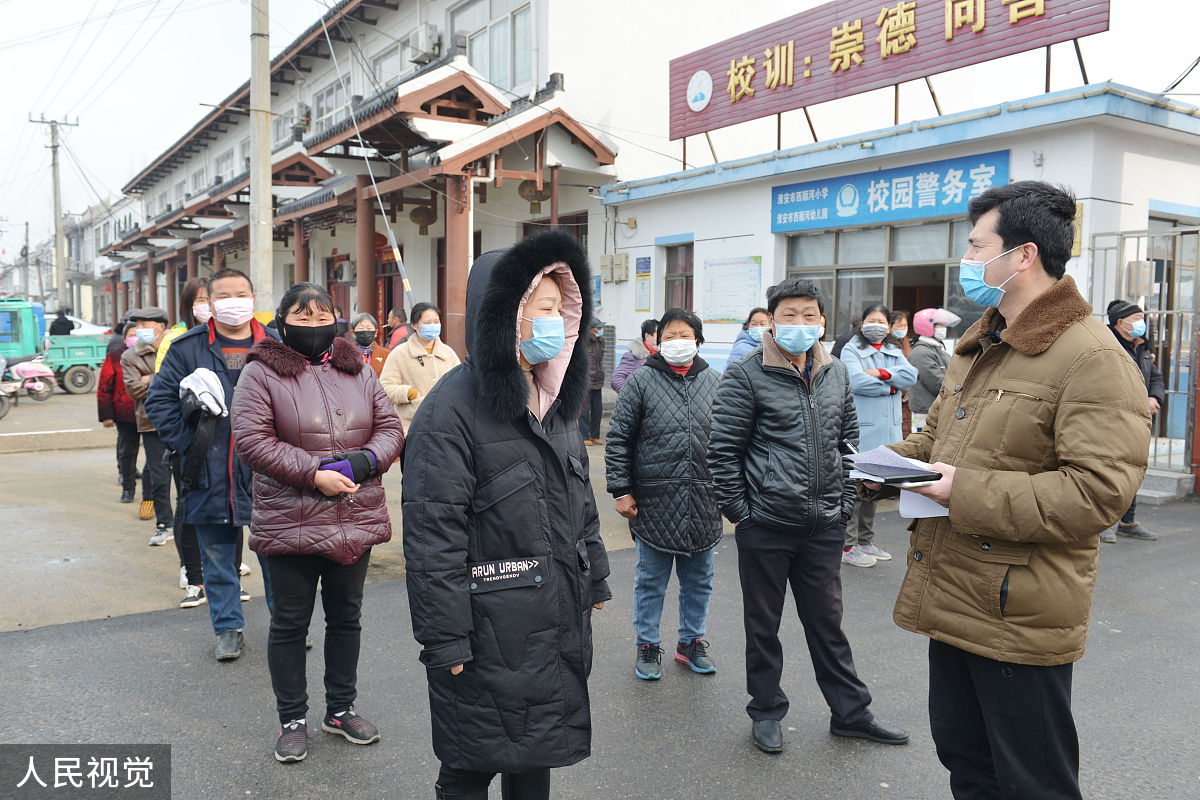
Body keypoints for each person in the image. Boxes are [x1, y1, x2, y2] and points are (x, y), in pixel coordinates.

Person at [873, 181, 1150, 799]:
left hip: (1018, 611)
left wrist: (962, 490)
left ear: (1022, 255)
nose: (966, 260)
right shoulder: (982, 342)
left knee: (1033, 782)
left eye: (977, 246)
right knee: (968, 765)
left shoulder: (1093, 358)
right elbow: (938, 441)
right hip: (954, 594)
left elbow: (1097, 493)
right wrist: (875, 468)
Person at [402, 230, 611, 800]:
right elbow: (432, 539)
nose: (555, 321)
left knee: (537, 750)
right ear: (505, 315)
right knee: (471, 761)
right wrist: (446, 639)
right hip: (486, 629)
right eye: (543, 308)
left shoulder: (554, 400)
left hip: (551, 614)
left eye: (560, 309)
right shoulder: (449, 412)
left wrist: (594, 573)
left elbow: (580, 500)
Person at [707, 277, 908, 755]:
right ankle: (766, 710)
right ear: (773, 321)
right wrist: (743, 515)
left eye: (809, 315)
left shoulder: (835, 371)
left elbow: (848, 441)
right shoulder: (746, 374)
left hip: (823, 525)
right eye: (789, 315)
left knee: (827, 624)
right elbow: (722, 452)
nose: (799, 323)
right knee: (763, 627)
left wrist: (843, 506)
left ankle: (851, 713)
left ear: (822, 321)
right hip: (766, 526)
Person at [231, 282, 405, 764]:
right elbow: (252, 441)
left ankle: (340, 710)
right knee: (290, 623)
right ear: (282, 323)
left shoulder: (358, 369)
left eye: (322, 316)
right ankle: (292, 719)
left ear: (337, 320)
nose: (313, 326)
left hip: (354, 514)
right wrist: (314, 474)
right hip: (291, 520)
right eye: (302, 317)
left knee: (346, 618)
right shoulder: (260, 372)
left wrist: (365, 462)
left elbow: (390, 428)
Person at [146, 268, 280, 662]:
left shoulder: (275, 344)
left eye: (241, 294)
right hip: (209, 471)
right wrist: (191, 446)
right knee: (218, 559)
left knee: (279, 556)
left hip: (270, 471)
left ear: (253, 298)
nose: (233, 302)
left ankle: (288, 627)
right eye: (222, 295)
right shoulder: (186, 348)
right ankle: (228, 629)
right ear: (210, 302)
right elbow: (159, 401)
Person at [605, 307, 722, 681]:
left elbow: (731, 443)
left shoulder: (716, 382)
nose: (677, 342)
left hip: (704, 500)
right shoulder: (641, 381)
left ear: (698, 341)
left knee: (699, 581)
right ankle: (647, 644)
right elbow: (619, 439)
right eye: (669, 335)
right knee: (651, 582)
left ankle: (691, 642)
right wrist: (621, 490)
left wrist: (731, 492)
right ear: (657, 342)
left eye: (685, 335)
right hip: (653, 501)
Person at [837, 304, 917, 568]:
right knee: (856, 487)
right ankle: (848, 545)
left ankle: (865, 541)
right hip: (864, 430)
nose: (877, 325)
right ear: (862, 324)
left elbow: (911, 376)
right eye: (871, 320)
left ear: (888, 326)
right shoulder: (852, 349)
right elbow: (856, 381)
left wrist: (882, 374)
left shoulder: (893, 349)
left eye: (882, 321)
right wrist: (892, 388)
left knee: (875, 487)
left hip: (888, 431)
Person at [1101, 300, 1165, 543]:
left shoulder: (1141, 346)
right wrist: (1141, 400)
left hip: (1138, 421)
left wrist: (1154, 397)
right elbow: (1110, 383)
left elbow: (1155, 377)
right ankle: (1104, 524)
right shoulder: (1107, 346)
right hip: (1114, 420)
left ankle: (1127, 521)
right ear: (1121, 322)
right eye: (1137, 318)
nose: (1142, 323)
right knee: (1111, 471)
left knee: (1133, 469)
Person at [121, 307, 175, 547]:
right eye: (138, 325)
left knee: (189, 475)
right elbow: (134, 389)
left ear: (160, 327)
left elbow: (184, 380)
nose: (139, 330)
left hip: (181, 420)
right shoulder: (130, 356)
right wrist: (162, 378)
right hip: (151, 422)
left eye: (145, 325)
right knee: (159, 476)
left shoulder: (177, 347)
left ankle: (189, 523)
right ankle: (164, 524)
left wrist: (150, 378)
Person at [379, 302, 461, 432]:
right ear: (414, 325)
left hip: (446, 426)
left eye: (436, 322)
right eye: (427, 323)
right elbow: (385, 387)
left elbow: (460, 386)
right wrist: (409, 393)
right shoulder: (400, 354)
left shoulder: (448, 353)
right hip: (411, 427)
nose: (433, 326)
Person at [98, 321, 140, 504]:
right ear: (124, 338)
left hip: (151, 413)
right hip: (125, 413)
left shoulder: (155, 354)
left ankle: (151, 494)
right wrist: (107, 416)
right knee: (127, 452)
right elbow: (104, 386)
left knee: (156, 456)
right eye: (131, 335)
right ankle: (128, 488)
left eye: (138, 334)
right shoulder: (115, 357)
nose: (135, 338)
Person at [907, 308, 959, 433]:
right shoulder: (921, 352)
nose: (944, 328)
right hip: (928, 415)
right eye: (940, 325)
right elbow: (937, 383)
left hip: (941, 412)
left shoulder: (938, 350)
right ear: (927, 326)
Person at [155, 277, 210, 372]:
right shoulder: (174, 340)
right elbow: (164, 377)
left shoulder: (227, 335)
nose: (208, 305)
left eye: (210, 300)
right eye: (200, 300)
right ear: (189, 305)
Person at [610, 318, 658, 393]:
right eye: (658, 334)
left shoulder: (659, 354)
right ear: (647, 336)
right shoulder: (635, 356)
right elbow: (616, 379)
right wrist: (630, 395)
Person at [579, 319, 605, 445]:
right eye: (598, 328)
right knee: (584, 410)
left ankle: (595, 435)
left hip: (598, 380)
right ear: (591, 329)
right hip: (586, 380)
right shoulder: (584, 341)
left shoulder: (601, 341)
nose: (600, 330)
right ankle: (584, 436)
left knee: (598, 409)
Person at [889, 310, 913, 438]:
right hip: (893, 395)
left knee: (906, 432)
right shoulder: (887, 344)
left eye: (905, 325)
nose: (903, 329)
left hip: (907, 397)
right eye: (899, 326)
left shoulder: (906, 342)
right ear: (890, 327)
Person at [349, 312, 391, 380]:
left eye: (369, 328)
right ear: (353, 333)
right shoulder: (345, 354)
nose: (365, 331)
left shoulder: (387, 354)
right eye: (361, 328)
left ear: (376, 332)